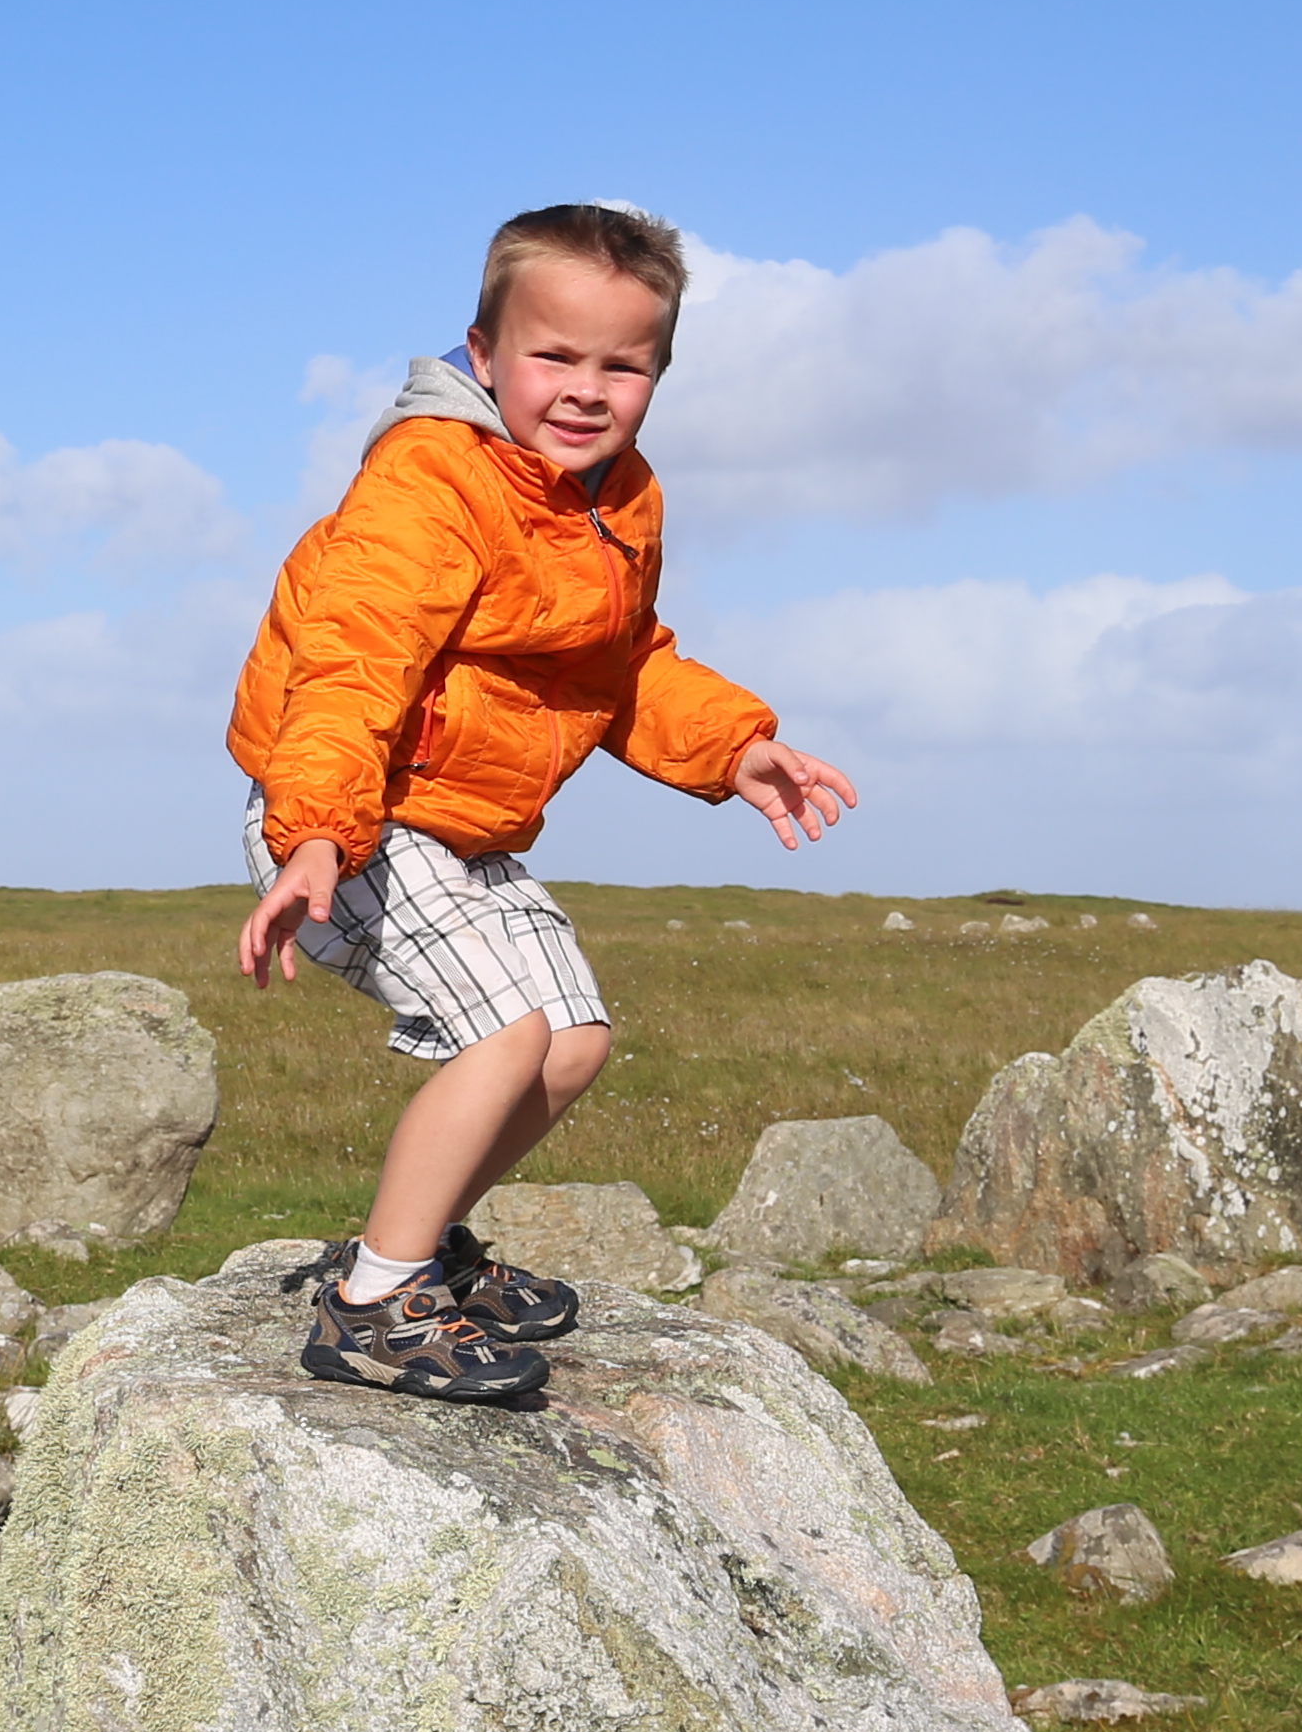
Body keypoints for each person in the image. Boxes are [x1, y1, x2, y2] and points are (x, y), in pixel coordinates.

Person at [226, 202, 858, 1402]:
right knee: (502, 1031)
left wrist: (734, 749)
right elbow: (349, 659)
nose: (586, 390)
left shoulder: (620, 502)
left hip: (461, 826)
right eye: (553, 356)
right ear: (481, 352)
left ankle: (420, 1247)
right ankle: (370, 1308)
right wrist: (311, 834)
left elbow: (616, 666)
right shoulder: (431, 480)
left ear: (658, 375)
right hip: (350, 808)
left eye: (623, 364)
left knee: (571, 1042)